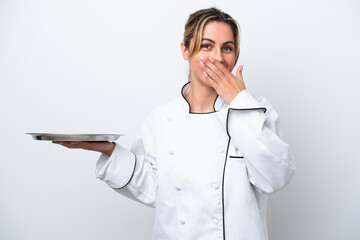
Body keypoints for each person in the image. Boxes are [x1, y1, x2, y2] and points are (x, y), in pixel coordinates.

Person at [53, 7, 295, 240]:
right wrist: (109, 151)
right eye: (206, 46)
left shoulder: (254, 110)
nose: (218, 58)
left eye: (227, 48)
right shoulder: (162, 119)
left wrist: (238, 102)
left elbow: (275, 178)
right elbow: (156, 188)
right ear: (185, 50)